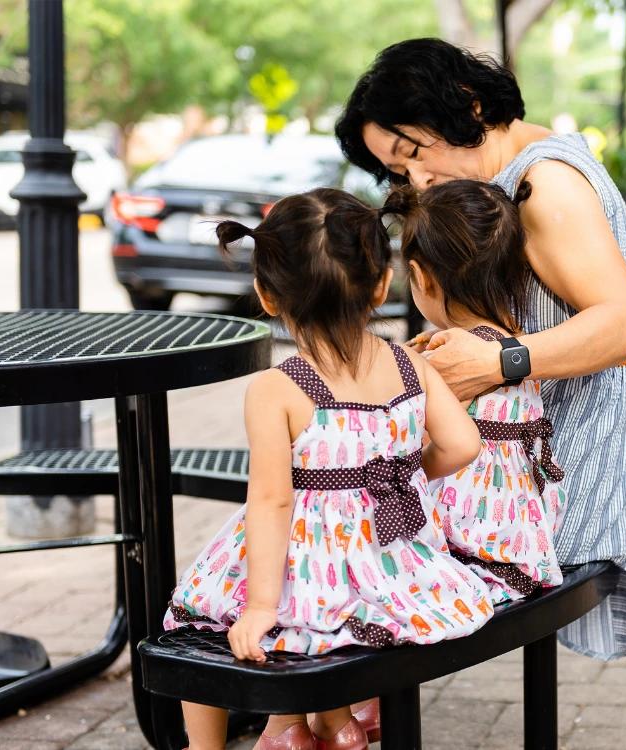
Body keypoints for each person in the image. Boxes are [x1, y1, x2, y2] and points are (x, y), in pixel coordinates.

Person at [336, 38, 626, 661]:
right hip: (527, 458)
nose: (417, 179)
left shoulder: (544, 185)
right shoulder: (514, 169)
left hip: (571, 479)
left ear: (468, 106)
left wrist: (498, 361)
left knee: (344, 532)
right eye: (398, 172)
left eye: (414, 151)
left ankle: (317, 694)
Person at [162, 188, 492, 750]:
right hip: (392, 563)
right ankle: (333, 725)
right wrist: (400, 477)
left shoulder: (276, 388)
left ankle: (210, 748)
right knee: (317, 630)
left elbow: (271, 502)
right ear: (382, 286)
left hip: (308, 564)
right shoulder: (408, 361)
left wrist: (262, 606)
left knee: (195, 611)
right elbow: (463, 445)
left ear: (267, 295)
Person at [383, 179, 566, 604]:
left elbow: (413, 445)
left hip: (468, 546)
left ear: (419, 276)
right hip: (523, 538)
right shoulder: (519, 343)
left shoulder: (451, 356)